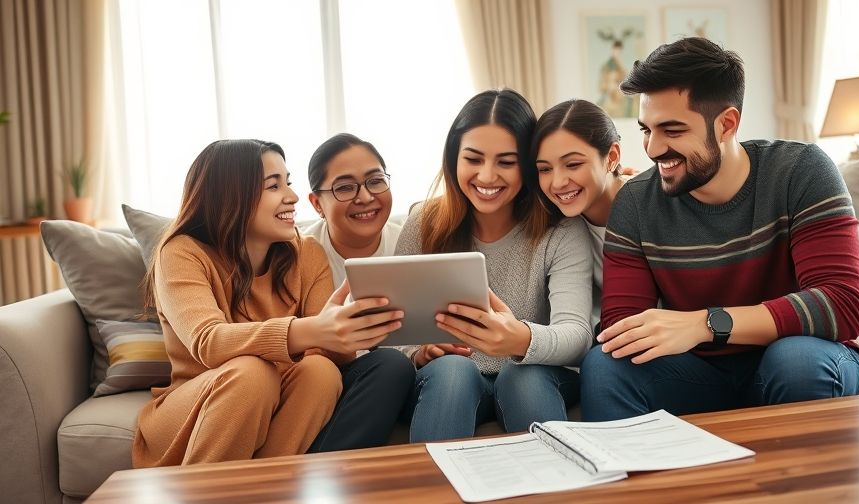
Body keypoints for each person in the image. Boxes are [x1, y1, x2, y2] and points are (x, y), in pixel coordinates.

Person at [580, 37, 859, 421]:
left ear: (726, 124)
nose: (652, 148)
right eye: (647, 130)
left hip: (800, 355)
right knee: (607, 364)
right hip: (699, 375)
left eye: (672, 130)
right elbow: (623, 328)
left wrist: (706, 324)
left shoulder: (801, 170)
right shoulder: (635, 202)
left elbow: (842, 303)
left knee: (796, 361)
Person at [132, 139, 407, 467]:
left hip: (280, 395)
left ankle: (271, 485)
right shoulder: (181, 252)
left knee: (321, 372)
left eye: (287, 182)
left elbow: (324, 354)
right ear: (231, 195)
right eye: (274, 186)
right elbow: (208, 341)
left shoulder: (306, 253)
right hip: (197, 403)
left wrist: (345, 335)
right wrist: (312, 330)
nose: (292, 196)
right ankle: (204, 488)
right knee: (252, 373)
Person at [394, 89, 593, 442]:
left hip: (531, 374)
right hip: (447, 379)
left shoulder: (561, 230)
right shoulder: (424, 222)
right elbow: (391, 332)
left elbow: (577, 335)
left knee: (523, 376)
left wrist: (520, 340)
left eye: (506, 162)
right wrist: (420, 352)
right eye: (473, 159)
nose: (487, 176)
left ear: (528, 165)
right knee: (453, 371)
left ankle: (559, 475)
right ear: (453, 160)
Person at [300, 133, 416, 450]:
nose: (365, 197)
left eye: (375, 181)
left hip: (402, 376)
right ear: (317, 203)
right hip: (332, 380)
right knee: (390, 365)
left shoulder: (410, 244)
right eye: (345, 187)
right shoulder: (298, 253)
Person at [532, 98, 624, 330]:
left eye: (572, 164)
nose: (558, 182)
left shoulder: (648, 205)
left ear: (612, 157)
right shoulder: (560, 227)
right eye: (545, 169)